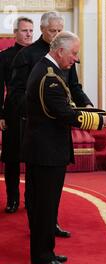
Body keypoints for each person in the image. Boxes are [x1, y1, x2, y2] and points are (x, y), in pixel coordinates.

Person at [22, 31, 106, 264]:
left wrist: (102, 116)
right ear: (60, 51)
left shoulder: (50, 70)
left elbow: (67, 107)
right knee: (45, 206)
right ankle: (43, 258)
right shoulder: (51, 77)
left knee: (43, 205)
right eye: (74, 53)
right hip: (47, 152)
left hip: (43, 148)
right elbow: (66, 114)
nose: (76, 59)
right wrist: (103, 122)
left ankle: (45, 251)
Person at [8, 11, 92, 237]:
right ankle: (38, 226)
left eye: (59, 30)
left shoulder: (66, 54)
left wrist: (90, 109)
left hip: (57, 124)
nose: (57, 34)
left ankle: (48, 223)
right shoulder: (26, 56)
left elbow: (74, 87)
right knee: (38, 185)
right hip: (34, 124)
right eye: (53, 30)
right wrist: (42, 109)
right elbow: (15, 96)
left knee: (51, 186)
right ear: (43, 30)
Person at [0, 17, 33, 213]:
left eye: (31, 30)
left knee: (34, 160)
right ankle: (12, 199)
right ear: (15, 32)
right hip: (12, 113)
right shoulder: (4, 57)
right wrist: (0, 115)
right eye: (24, 30)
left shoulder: (40, 53)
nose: (28, 34)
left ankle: (31, 200)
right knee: (11, 159)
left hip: (34, 114)